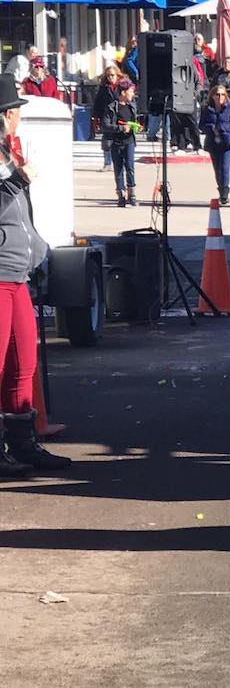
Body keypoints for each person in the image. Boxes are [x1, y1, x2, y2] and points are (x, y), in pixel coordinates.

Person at [0, 75, 70, 476]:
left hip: (17, 272)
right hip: (1, 273)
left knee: (23, 361)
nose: (18, 119)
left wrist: (37, 249)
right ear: (7, 115)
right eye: (15, 112)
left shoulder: (8, 153)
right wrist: (18, 180)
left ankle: (23, 443)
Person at [100, 76, 142, 207]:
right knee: (118, 170)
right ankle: (121, 195)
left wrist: (137, 127)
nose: (133, 94)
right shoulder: (112, 107)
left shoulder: (132, 107)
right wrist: (121, 128)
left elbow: (134, 121)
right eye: (131, 91)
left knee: (130, 167)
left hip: (129, 142)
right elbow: (105, 125)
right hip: (115, 143)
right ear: (123, 93)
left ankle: (132, 194)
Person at [198, 83, 230, 205]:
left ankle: (225, 194)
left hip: (227, 142)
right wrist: (211, 128)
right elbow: (201, 124)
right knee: (217, 169)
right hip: (213, 142)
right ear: (213, 96)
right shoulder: (207, 109)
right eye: (218, 94)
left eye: (223, 94)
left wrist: (221, 127)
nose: (220, 97)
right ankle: (220, 189)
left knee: (225, 167)